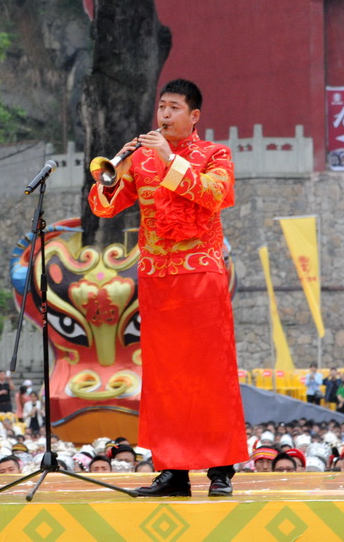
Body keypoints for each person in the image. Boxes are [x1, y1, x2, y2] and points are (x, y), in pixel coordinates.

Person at [88, 79, 247, 497]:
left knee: (211, 374)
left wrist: (170, 160)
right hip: (157, 278)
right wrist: (110, 179)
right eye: (161, 107)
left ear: (194, 116)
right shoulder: (139, 159)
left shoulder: (216, 154)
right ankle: (173, 471)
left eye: (174, 108)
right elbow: (105, 206)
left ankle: (220, 470)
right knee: (164, 378)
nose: (164, 115)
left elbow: (216, 194)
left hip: (201, 277)